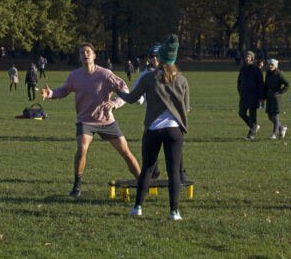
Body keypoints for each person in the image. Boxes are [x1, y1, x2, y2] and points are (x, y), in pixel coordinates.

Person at [41, 42, 141, 197]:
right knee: (82, 149)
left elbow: (125, 89)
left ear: (94, 56)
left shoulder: (105, 74)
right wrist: (50, 93)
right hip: (85, 121)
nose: (85, 54)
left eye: (88, 52)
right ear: (79, 57)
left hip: (107, 121)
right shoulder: (75, 76)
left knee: (126, 152)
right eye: (82, 52)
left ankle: (142, 182)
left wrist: (114, 103)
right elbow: (63, 91)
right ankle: (77, 185)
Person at [115, 34, 189, 221]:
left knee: (147, 169)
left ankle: (137, 207)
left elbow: (132, 99)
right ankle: (174, 212)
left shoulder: (149, 78)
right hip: (174, 130)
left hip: (153, 130)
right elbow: (186, 107)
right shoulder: (182, 80)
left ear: (161, 58)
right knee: (174, 172)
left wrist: (118, 92)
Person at [133, 42, 187, 182]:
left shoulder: (173, 73)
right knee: (150, 152)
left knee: (175, 153)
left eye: (157, 56)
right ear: (149, 58)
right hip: (153, 120)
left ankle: (180, 174)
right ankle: (153, 173)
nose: (155, 59)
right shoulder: (146, 75)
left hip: (172, 120)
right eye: (152, 56)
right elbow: (137, 98)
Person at [237, 50, 264, 140]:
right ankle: (254, 126)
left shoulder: (256, 69)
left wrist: (261, 97)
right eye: (246, 57)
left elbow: (260, 84)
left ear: (252, 58)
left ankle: (251, 134)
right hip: (244, 95)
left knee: (253, 115)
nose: (247, 59)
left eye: (249, 57)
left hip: (253, 95)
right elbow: (239, 82)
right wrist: (240, 91)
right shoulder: (243, 69)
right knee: (241, 113)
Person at [264, 59, 289, 140]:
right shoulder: (268, 74)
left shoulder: (279, 74)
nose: (270, 66)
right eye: (269, 65)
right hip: (269, 97)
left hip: (276, 98)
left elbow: (287, 84)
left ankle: (274, 134)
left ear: (275, 66)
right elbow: (266, 85)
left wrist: (280, 92)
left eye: (272, 65)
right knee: (270, 117)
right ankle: (281, 128)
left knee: (275, 116)